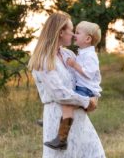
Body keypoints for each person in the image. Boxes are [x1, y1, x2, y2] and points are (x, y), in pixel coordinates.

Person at [28, 12, 105, 158]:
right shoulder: (43, 59)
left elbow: (87, 78)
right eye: (71, 30)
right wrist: (87, 101)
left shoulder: (68, 55)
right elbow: (60, 94)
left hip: (80, 119)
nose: (74, 35)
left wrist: (94, 96)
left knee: (95, 154)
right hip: (57, 119)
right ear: (60, 32)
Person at [44, 21, 102, 150]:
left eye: (77, 33)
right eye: (73, 31)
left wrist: (75, 65)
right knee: (68, 104)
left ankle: (62, 138)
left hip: (85, 89)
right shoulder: (81, 52)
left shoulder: (90, 55)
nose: (74, 35)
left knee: (68, 104)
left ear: (87, 39)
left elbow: (90, 74)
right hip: (81, 87)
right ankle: (57, 124)